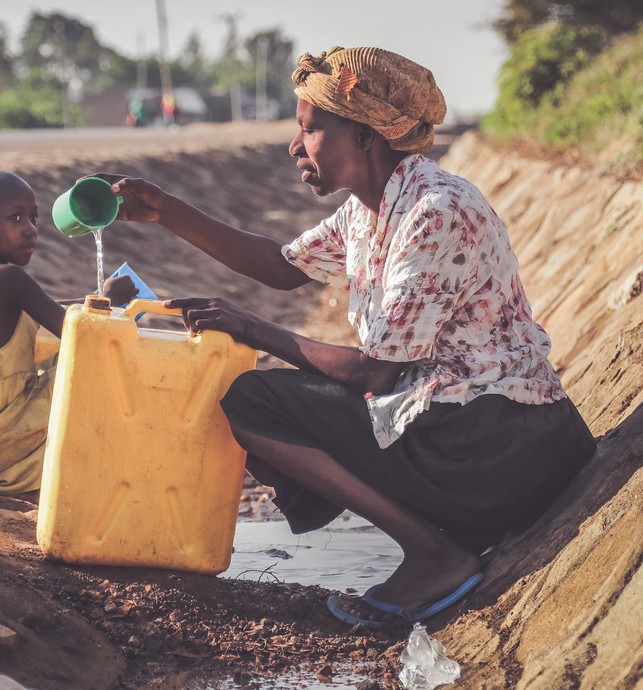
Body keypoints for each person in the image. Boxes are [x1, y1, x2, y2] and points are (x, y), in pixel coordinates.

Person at [93, 46, 596, 629]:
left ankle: (436, 555)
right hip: (474, 434)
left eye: (309, 130)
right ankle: (441, 536)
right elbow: (282, 267)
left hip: (506, 444)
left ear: (365, 136)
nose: (294, 147)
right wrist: (167, 211)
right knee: (284, 392)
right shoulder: (370, 209)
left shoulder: (435, 208)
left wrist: (251, 327)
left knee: (254, 401)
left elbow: (375, 372)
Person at [0, 170, 137, 497]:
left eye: (34, 217)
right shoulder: (7, 279)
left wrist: (97, 297)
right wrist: (110, 299)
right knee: (91, 362)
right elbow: (80, 333)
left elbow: (49, 307)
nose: (31, 230)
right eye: (16, 218)